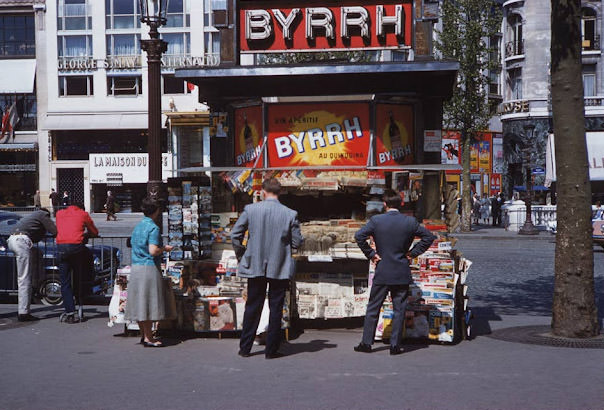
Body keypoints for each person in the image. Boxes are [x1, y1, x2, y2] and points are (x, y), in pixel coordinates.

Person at [354, 190, 436, 355]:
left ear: (385, 204)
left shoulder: (376, 221)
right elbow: (428, 237)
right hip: (401, 271)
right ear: (401, 204)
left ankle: (366, 343)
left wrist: (371, 254)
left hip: (383, 270)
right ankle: (395, 345)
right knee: (399, 309)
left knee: (373, 308)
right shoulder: (410, 222)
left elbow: (359, 236)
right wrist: (412, 253)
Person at [231, 178, 303, 359]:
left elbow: (235, 235)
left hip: (255, 264)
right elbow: (296, 242)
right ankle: (271, 350)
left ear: (263, 191)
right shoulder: (290, 214)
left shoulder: (251, 210)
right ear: (280, 192)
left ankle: (245, 347)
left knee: (253, 306)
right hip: (279, 265)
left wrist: (243, 254)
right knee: (276, 307)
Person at [125, 198, 173, 347]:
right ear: (156, 211)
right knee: (149, 303)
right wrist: (164, 249)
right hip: (149, 268)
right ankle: (149, 337)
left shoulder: (138, 227)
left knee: (140, 303)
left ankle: (143, 335)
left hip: (137, 268)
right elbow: (153, 251)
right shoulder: (153, 228)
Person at [7, 208, 57, 321]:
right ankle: (23, 312)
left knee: (25, 273)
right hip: (21, 241)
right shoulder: (43, 214)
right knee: (24, 278)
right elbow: (54, 231)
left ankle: (34, 288)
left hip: (12, 239)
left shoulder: (31, 217)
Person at [56, 202, 98, 323]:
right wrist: (86, 234)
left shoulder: (59, 214)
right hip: (76, 248)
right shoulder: (83, 214)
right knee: (78, 276)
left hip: (61, 248)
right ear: (82, 208)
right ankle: (80, 303)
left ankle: (70, 311)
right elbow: (94, 231)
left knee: (65, 281)